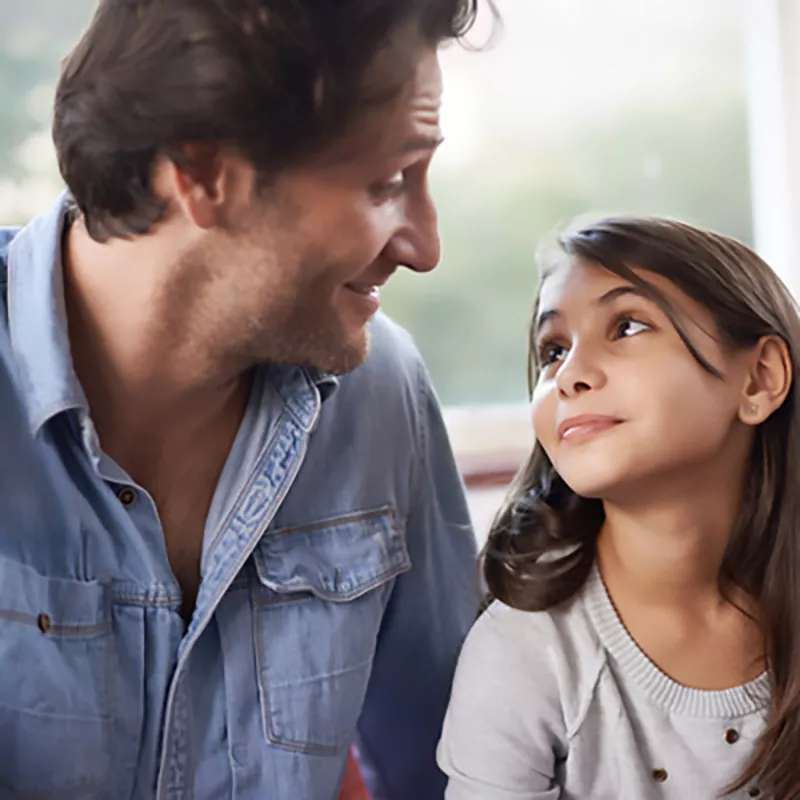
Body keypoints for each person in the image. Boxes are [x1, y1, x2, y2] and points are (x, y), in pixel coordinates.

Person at [0, 1, 491, 797]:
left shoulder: (380, 393)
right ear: (202, 174)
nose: (425, 246)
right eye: (388, 182)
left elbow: (450, 773)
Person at [437, 216, 800, 798]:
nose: (570, 375)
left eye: (627, 326)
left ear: (758, 379)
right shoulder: (521, 658)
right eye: (553, 350)